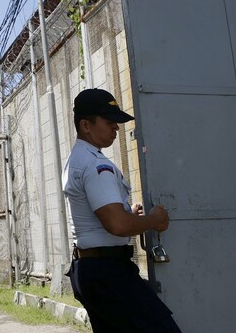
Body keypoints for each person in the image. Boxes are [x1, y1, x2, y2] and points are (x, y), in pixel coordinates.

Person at [63, 88, 182, 333]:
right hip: (109, 273)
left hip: (91, 269)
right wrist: (152, 220)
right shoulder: (97, 165)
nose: (116, 128)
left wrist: (130, 216)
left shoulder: (77, 159)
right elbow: (116, 225)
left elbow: (107, 217)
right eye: (109, 122)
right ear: (86, 125)